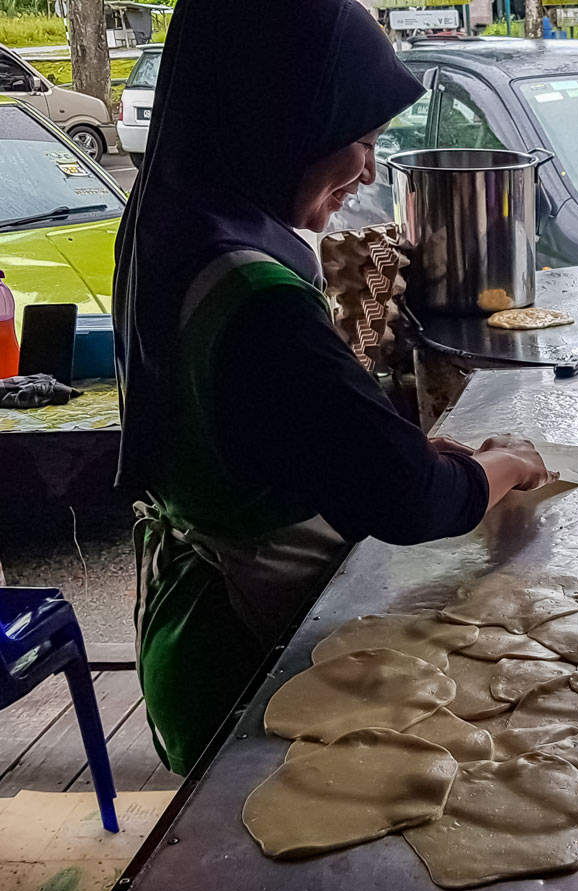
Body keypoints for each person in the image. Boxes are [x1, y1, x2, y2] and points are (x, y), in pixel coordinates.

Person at [112, 0, 553, 775]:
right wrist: (507, 463)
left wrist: (398, 449)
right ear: (285, 121)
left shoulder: (176, 219)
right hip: (254, 659)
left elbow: (278, 433)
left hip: (200, 629)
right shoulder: (256, 295)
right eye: (362, 140)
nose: (371, 171)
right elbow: (410, 500)